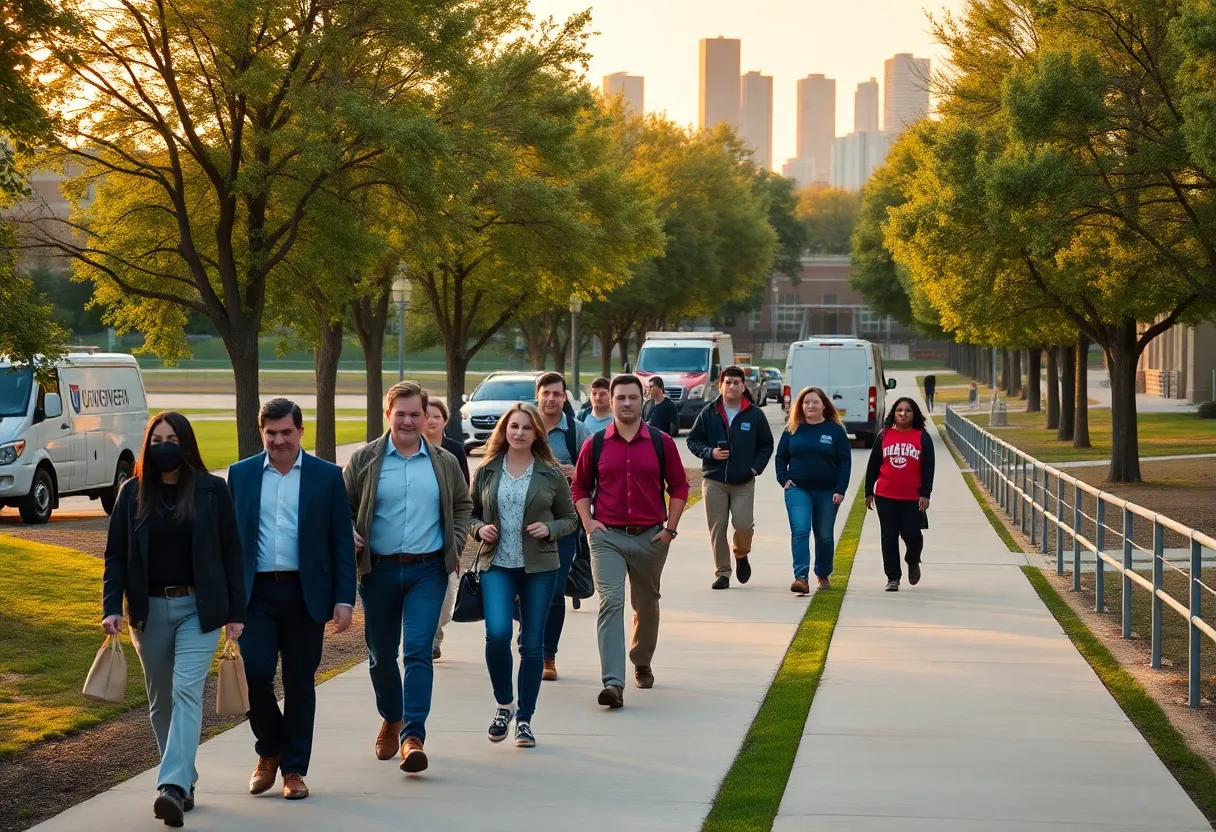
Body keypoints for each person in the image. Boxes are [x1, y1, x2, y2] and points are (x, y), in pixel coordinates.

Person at [102, 412, 245, 827]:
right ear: (148, 444)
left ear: (186, 444)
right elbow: (115, 557)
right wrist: (111, 606)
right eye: (157, 438)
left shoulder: (213, 490)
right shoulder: (131, 494)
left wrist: (236, 612)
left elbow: (232, 553)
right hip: (147, 612)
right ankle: (185, 778)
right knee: (161, 700)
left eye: (173, 438)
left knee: (186, 691)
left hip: (199, 611)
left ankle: (172, 786)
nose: (165, 445)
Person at [228, 398, 357, 801]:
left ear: (301, 431)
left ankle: (294, 770)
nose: (278, 440)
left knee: (300, 683)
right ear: (261, 432)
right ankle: (270, 749)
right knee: (255, 675)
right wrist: (227, 603)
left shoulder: (327, 476)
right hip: (256, 595)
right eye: (271, 433)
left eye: (286, 432)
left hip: (307, 594)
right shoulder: (241, 474)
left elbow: (341, 541)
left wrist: (344, 599)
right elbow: (229, 545)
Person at [343, 381, 472, 773]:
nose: (409, 420)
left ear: (425, 416)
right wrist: (347, 530)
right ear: (388, 415)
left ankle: (413, 736)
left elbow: (463, 504)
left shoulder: (444, 461)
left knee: (417, 651)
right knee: (381, 655)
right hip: (378, 570)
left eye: (416, 413)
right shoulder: (364, 459)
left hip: (428, 571)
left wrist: (456, 542)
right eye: (401, 413)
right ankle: (392, 715)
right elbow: (342, 507)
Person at [571, 374, 689, 709]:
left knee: (646, 605)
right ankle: (613, 682)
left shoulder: (659, 441)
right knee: (611, 602)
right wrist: (589, 522)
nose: (626, 403)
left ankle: (641, 659)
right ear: (610, 399)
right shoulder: (594, 444)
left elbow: (679, 487)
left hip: (651, 537)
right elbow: (579, 486)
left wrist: (670, 530)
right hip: (607, 537)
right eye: (620, 397)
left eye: (632, 398)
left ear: (643, 400)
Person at [468, 404, 579, 747]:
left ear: (535, 434)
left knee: (532, 645)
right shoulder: (487, 469)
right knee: (498, 634)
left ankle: (525, 720)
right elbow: (469, 514)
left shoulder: (550, 473)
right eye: (513, 427)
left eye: (526, 428)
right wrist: (479, 529)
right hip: (497, 565)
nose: (519, 433)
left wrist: (549, 527)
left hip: (539, 568)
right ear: (504, 430)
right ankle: (504, 705)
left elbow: (570, 519)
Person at [686, 366, 774, 590]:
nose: (732, 386)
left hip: (743, 481)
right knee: (718, 527)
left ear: (743, 386)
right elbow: (693, 440)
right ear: (720, 385)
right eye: (728, 382)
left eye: (737, 382)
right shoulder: (708, 412)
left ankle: (741, 554)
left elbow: (766, 445)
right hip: (714, 480)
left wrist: (755, 468)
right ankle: (722, 572)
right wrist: (710, 453)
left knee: (743, 525)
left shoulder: (754, 415)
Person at [534, 372, 591, 681]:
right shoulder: (523, 426)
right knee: (526, 590)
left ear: (565, 397)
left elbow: (594, 476)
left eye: (558, 393)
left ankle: (547, 656)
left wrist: (576, 474)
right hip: (524, 525)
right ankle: (529, 641)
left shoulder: (577, 433)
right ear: (538, 395)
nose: (552, 398)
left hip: (564, 525)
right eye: (547, 393)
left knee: (555, 592)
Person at [775, 387, 851, 594]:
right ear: (800, 406)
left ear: (824, 405)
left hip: (828, 491)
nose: (810, 405)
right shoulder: (792, 429)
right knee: (800, 531)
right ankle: (801, 577)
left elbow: (845, 461)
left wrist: (840, 488)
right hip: (798, 489)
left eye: (815, 402)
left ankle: (823, 573)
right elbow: (780, 457)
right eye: (806, 402)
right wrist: (784, 479)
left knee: (824, 535)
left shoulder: (835, 430)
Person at [865, 397, 935, 592]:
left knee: (911, 533)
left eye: (908, 410)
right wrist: (868, 491)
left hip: (912, 497)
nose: (903, 413)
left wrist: (925, 494)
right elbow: (873, 465)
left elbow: (929, 467)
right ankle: (893, 577)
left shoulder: (922, 437)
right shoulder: (884, 435)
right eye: (899, 410)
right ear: (894, 413)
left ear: (915, 414)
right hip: (885, 495)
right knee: (889, 536)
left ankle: (913, 559)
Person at [424, 399, 470, 661]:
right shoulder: (408, 449)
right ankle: (427, 640)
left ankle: (436, 633)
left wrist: (458, 536)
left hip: (447, 532)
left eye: (436, 416)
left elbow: (464, 492)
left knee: (445, 595)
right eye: (426, 415)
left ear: (444, 420)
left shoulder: (454, 450)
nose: (430, 420)